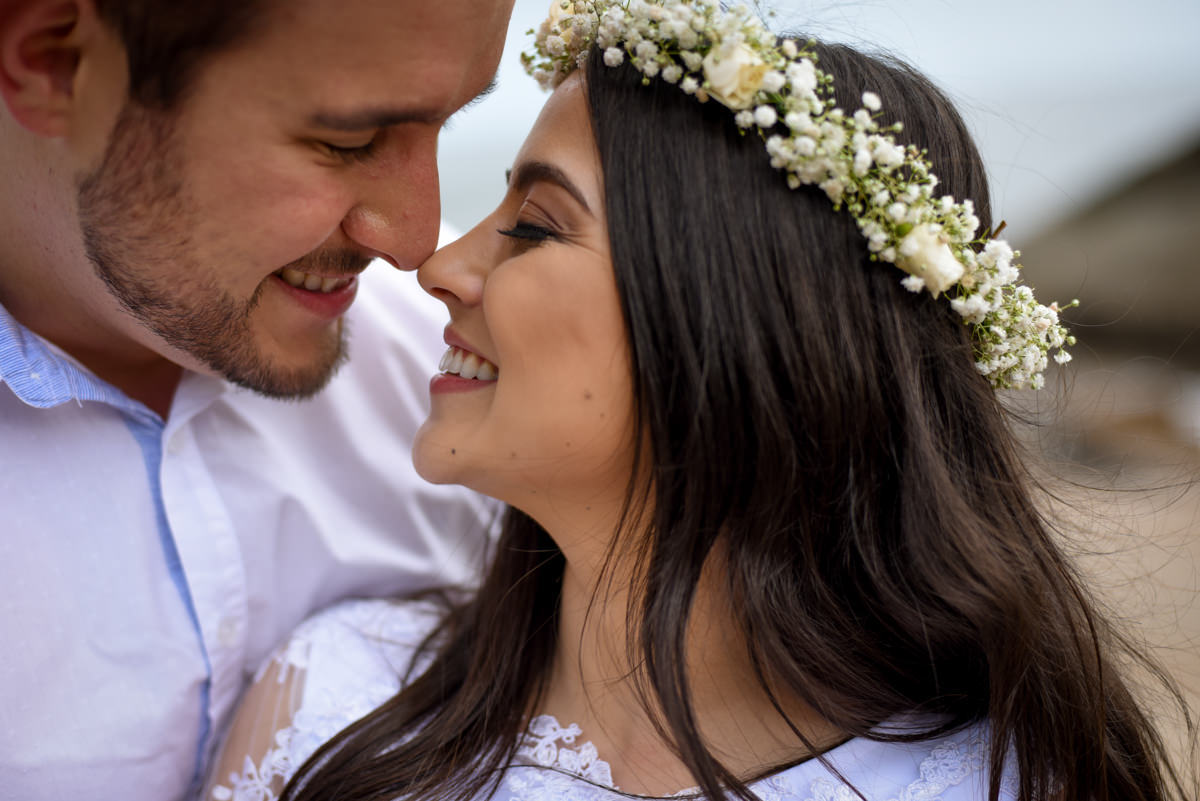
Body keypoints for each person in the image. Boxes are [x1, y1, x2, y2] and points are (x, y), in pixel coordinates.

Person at [203, 2, 1192, 800]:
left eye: (534, 226)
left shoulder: (1005, 779)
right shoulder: (331, 708)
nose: (439, 263)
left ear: (736, 321)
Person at [0, 0, 515, 798]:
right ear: (53, 62)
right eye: (348, 142)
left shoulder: (464, 371)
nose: (416, 241)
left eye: (445, 125)